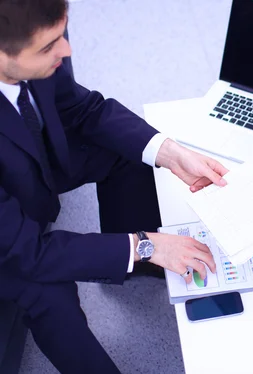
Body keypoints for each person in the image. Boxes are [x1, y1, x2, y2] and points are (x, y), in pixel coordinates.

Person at [0, 1, 228, 373]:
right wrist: (143, 245)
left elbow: (80, 108)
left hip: (27, 159)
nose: (67, 51)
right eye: (48, 48)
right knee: (49, 297)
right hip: (7, 239)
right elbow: (29, 253)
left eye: (63, 35)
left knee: (128, 152)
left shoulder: (42, 34)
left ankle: (132, 265)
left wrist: (168, 152)